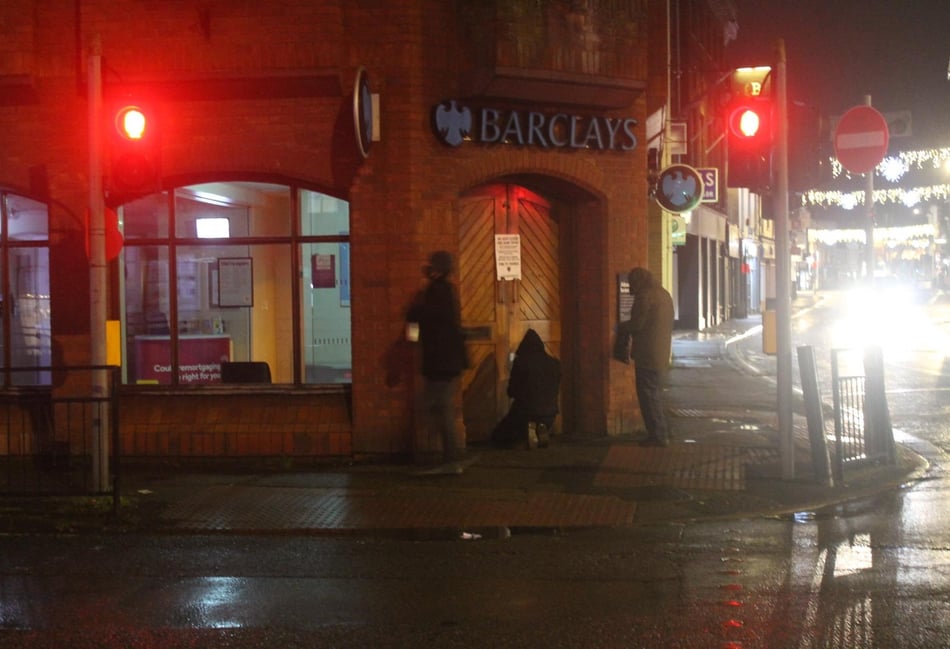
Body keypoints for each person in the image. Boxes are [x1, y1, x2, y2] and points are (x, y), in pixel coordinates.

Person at [406, 250, 469, 474]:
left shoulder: (437, 291)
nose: (427, 268)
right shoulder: (443, 291)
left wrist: (414, 310)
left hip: (441, 362)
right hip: (445, 362)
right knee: (438, 407)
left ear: (438, 269)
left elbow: (425, 317)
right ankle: (445, 456)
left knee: (438, 407)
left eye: (430, 266)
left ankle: (449, 459)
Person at [617, 267, 674, 447]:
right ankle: (660, 433)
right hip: (661, 353)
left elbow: (637, 324)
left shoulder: (645, 296)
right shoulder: (664, 295)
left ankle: (657, 435)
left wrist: (622, 327)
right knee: (655, 394)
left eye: (632, 283)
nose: (631, 287)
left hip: (647, 354)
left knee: (648, 396)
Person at [491, 328, 561, 449]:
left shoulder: (521, 362)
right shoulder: (554, 363)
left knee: (500, 434)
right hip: (550, 412)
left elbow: (512, 391)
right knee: (537, 415)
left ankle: (529, 431)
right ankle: (541, 427)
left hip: (527, 411)